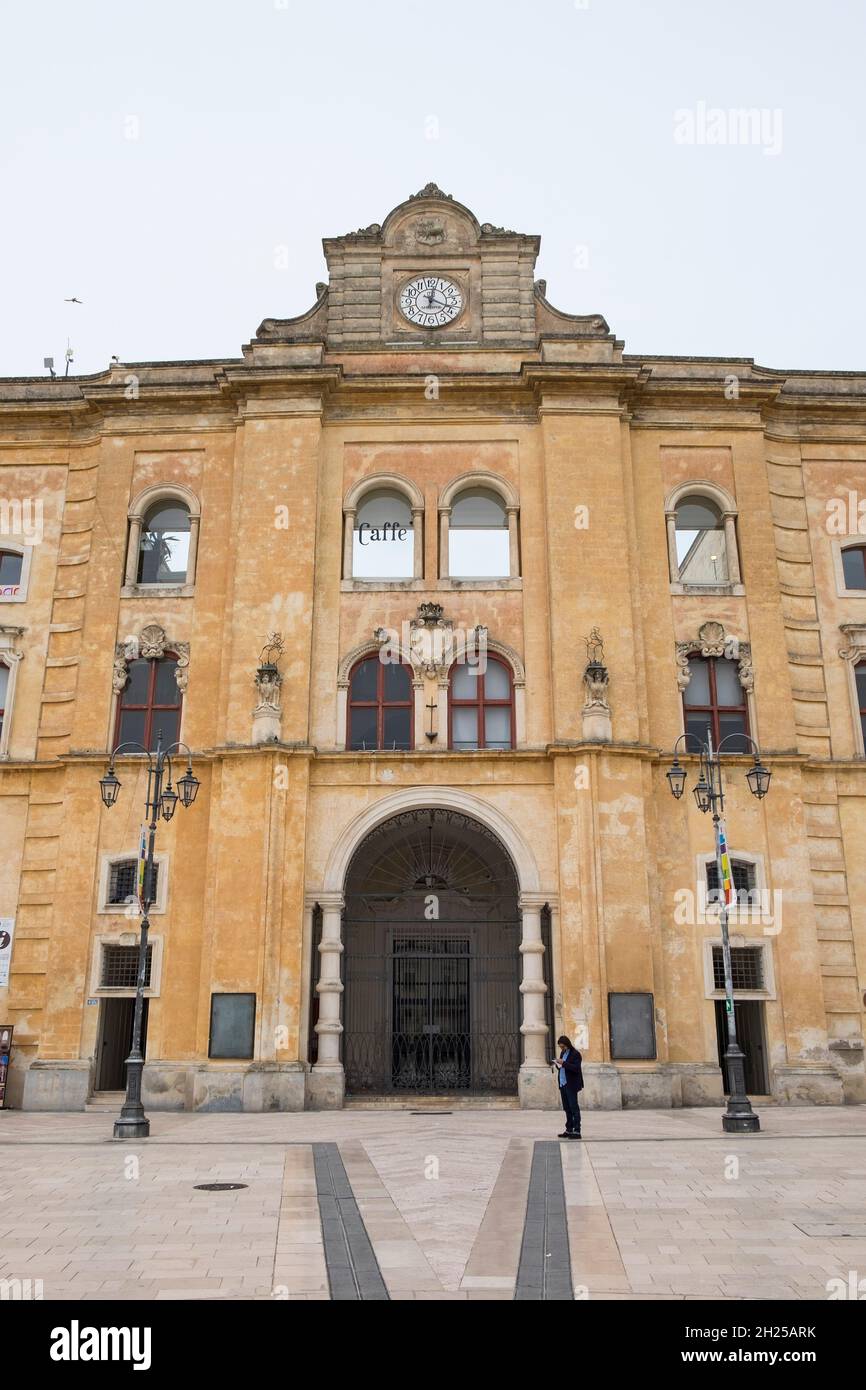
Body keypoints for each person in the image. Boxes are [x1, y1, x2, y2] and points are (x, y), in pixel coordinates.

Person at [554, 1035, 583, 1138]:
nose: (562, 1049)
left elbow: (576, 1068)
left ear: (567, 1044)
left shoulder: (575, 1054)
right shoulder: (563, 1053)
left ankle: (577, 1131)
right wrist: (558, 1064)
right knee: (567, 1108)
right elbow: (563, 1067)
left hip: (571, 1084)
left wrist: (564, 1063)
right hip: (562, 1083)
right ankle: (569, 1129)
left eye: (563, 1046)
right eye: (560, 1047)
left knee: (574, 1107)